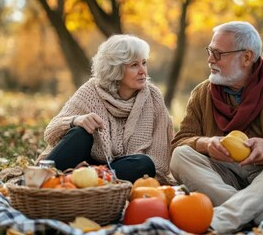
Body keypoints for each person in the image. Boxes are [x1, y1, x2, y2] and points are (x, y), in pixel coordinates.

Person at [170, 21, 263, 233]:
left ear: (247, 57)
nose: (210, 59)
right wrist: (205, 143)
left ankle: (223, 218)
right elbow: (180, 141)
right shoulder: (202, 93)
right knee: (180, 155)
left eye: (218, 53)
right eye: (210, 51)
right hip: (224, 173)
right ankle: (259, 214)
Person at [37, 34, 173, 184]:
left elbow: (159, 163)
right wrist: (76, 120)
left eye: (144, 63)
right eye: (134, 65)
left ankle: (86, 182)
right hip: (81, 165)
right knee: (80, 133)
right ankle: (39, 180)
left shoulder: (153, 97)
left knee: (145, 164)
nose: (143, 71)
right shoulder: (91, 91)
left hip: (116, 170)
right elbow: (51, 132)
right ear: (115, 70)